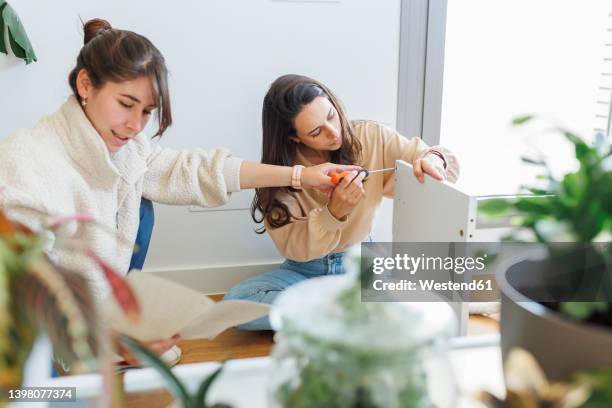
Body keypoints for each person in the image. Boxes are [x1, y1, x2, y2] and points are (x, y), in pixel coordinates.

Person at [0, 21, 357, 366]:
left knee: (140, 200)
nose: (135, 125)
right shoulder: (29, 162)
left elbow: (199, 170)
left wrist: (301, 176)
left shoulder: (126, 150)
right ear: (85, 84)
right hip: (22, 335)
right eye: (126, 104)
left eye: (147, 112)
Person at [224, 74, 460, 330]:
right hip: (306, 270)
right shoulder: (279, 173)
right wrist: (334, 212)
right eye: (316, 131)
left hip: (360, 262)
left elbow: (432, 156)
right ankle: (349, 312)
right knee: (236, 306)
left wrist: (435, 160)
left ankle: (325, 315)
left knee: (424, 301)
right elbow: (296, 249)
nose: (333, 132)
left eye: (331, 115)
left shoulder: (370, 136)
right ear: (294, 138)